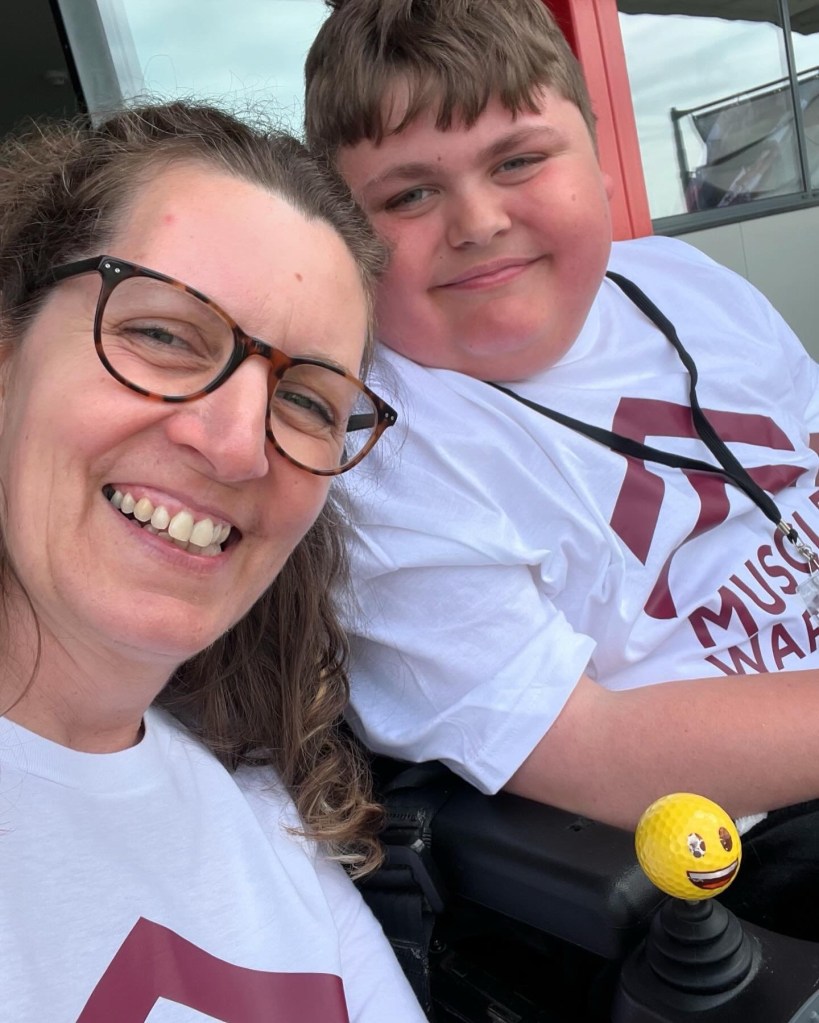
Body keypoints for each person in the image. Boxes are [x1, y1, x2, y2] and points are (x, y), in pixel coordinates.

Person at [304, 0, 819, 937]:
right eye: (408, 196)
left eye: (517, 161)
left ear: (602, 160)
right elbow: (589, 750)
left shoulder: (683, 281)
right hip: (737, 846)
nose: (477, 221)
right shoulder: (381, 456)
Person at [0, 100, 426, 1020]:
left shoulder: (268, 816)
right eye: (161, 335)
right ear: (8, 354)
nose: (238, 446)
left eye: (307, 401)